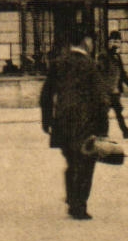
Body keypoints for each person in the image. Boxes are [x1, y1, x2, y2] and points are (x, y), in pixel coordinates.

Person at [41, 31, 110, 221]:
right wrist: (103, 129)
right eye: (92, 42)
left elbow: (46, 94)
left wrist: (46, 121)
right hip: (86, 123)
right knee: (86, 164)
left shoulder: (58, 62)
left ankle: (72, 199)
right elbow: (102, 99)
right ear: (86, 42)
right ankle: (79, 205)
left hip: (62, 123)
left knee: (72, 162)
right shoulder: (90, 65)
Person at [99, 32, 128, 139]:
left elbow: (122, 73)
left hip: (115, 91)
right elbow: (100, 73)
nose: (116, 44)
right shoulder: (103, 56)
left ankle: (125, 132)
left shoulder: (117, 56)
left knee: (118, 112)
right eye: (114, 42)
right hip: (106, 91)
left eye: (118, 42)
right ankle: (102, 134)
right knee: (103, 113)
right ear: (109, 42)